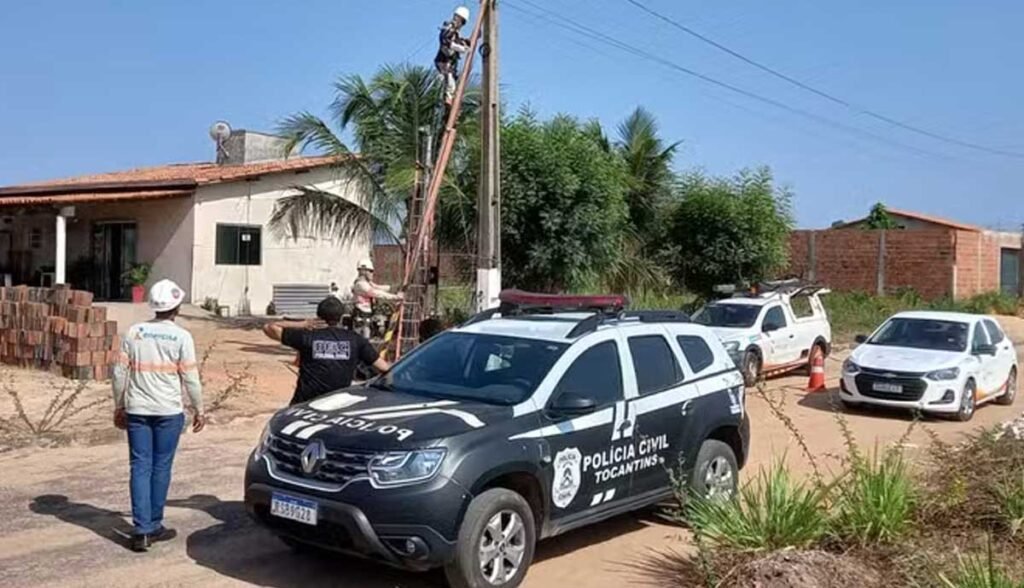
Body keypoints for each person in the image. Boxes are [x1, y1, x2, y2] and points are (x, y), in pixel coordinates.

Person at [111, 278, 205, 553]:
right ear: (176, 307)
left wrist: (119, 405)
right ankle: (154, 524)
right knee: (161, 467)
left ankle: (141, 531)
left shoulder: (134, 332)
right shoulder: (182, 337)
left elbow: (119, 374)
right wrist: (199, 408)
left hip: (138, 410)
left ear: (153, 306)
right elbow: (191, 378)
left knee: (140, 467)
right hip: (168, 411)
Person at [264, 296, 392, 406]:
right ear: (341, 317)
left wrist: (303, 324)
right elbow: (384, 367)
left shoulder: (306, 336)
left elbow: (269, 327)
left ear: (319, 316)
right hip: (336, 404)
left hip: (305, 403)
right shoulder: (355, 340)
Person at [351, 258, 403, 340]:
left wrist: (395, 287)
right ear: (364, 271)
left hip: (366, 317)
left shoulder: (367, 283)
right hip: (361, 318)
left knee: (365, 339)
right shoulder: (361, 285)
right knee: (362, 340)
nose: (372, 274)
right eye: (370, 271)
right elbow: (376, 293)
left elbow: (378, 288)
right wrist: (395, 297)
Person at [434, 6, 471, 106]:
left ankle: (448, 101)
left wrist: (465, 43)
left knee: (451, 83)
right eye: (459, 20)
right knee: (448, 81)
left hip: (450, 63)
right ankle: (447, 100)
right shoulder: (448, 27)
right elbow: (447, 42)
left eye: (462, 22)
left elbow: (458, 42)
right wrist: (461, 49)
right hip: (443, 61)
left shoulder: (456, 32)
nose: (460, 24)